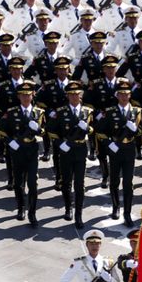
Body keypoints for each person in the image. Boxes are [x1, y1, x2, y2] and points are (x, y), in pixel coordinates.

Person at [0, 81, 45, 226]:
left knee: (33, 183)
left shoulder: (39, 112)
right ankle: (21, 208)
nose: (25, 98)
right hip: (17, 151)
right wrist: (9, 141)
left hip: (31, 150)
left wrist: (38, 129)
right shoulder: (11, 112)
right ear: (18, 96)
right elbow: (0, 128)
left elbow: (44, 132)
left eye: (28, 95)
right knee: (18, 183)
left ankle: (32, 213)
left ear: (33, 95)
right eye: (23, 95)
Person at [48, 80, 93, 228]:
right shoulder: (61, 112)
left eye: (77, 94)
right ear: (67, 96)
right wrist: (60, 144)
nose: (74, 97)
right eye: (71, 94)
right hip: (66, 150)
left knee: (79, 184)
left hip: (80, 149)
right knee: (66, 182)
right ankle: (68, 208)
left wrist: (87, 128)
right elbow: (51, 130)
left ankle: (79, 215)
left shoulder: (87, 111)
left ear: (80, 95)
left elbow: (93, 129)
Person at [95, 78, 141, 226]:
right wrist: (109, 143)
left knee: (128, 182)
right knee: (114, 181)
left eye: (126, 94)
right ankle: (116, 207)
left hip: (129, 150)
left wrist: (136, 130)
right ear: (117, 95)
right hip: (115, 149)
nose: (124, 97)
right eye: (121, 94)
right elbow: (99, 131)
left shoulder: (136, 111)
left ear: (130, 95)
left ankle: (127, 213)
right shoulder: (110, 112)